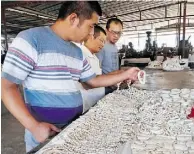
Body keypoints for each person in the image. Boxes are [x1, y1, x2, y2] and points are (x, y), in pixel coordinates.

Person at [1, 2, 140, 152]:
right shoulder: (31, 39)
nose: (92, 33)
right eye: (91, 26)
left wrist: (126, 74)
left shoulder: (77, 51)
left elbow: (93, 81)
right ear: (73, 18)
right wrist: (33, 126)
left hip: (73, 128)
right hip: (45, 134)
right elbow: (6, 86)